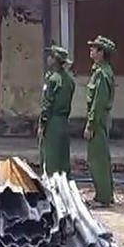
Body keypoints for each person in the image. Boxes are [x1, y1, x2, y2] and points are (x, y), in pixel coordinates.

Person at [85, 36, 116, 208]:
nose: (91, 51)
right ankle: (105, 194)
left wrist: (91, 125)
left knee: (98, 160)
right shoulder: (101, 71)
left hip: (98, 121)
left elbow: (98, 103)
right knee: (100, 157)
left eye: (94, 48)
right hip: (100, 120)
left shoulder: (102, 75)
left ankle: (102, 197)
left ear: (101, 53)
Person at [38, 44, 75, 177]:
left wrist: (42, 123)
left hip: (53, 121)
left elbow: (48, 103)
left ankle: (52, 186)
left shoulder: (53, 79)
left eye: (50, 56)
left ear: (55, 60)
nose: (48, 59)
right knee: (63, 156)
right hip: (64, 121)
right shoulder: (69, 80)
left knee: (50, 155)